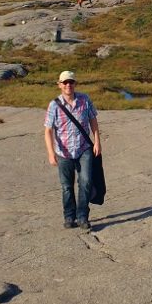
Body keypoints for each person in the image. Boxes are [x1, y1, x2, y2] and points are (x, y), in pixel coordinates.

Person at [44, 71, 101, 230]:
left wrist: (97, 142)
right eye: (65, 82)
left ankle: (82, 216)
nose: (68, 85)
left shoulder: (84, 99)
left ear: (75, 83)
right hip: (64, 153)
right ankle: (69, 216)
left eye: (71, 82)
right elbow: (48, 131)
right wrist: (51, 153)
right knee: (67, 187)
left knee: (86, 182)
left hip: (84, 149)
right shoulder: (54, 105)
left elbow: (93, 121)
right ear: (59, 84)